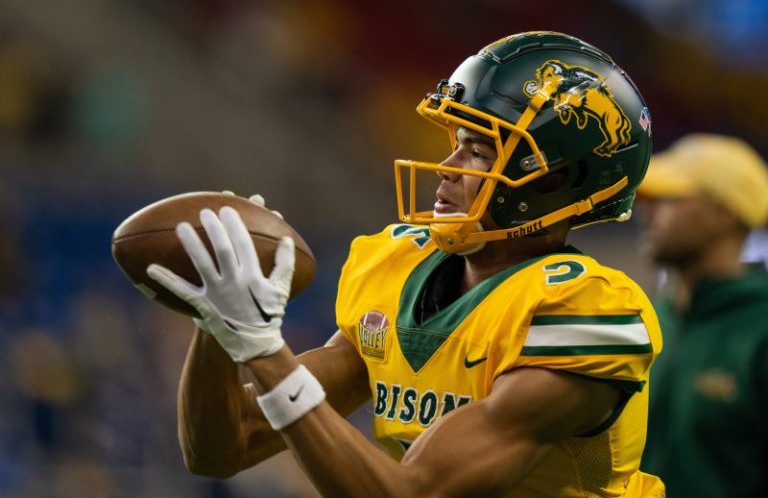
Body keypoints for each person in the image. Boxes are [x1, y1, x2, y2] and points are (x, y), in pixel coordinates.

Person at [146, 31, 665, 497]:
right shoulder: (399, 267)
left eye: (479, 151)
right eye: (457, 143)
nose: (448, 167)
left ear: (553, 180)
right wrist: (217, 324)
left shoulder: (583, 311)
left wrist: (263, 348)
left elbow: (415, 491)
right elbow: (223, 448)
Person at [636, 134, 768, 498]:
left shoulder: (760, 329)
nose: (647, 211)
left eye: (670, 199)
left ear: (724, 215)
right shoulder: (647, 319)